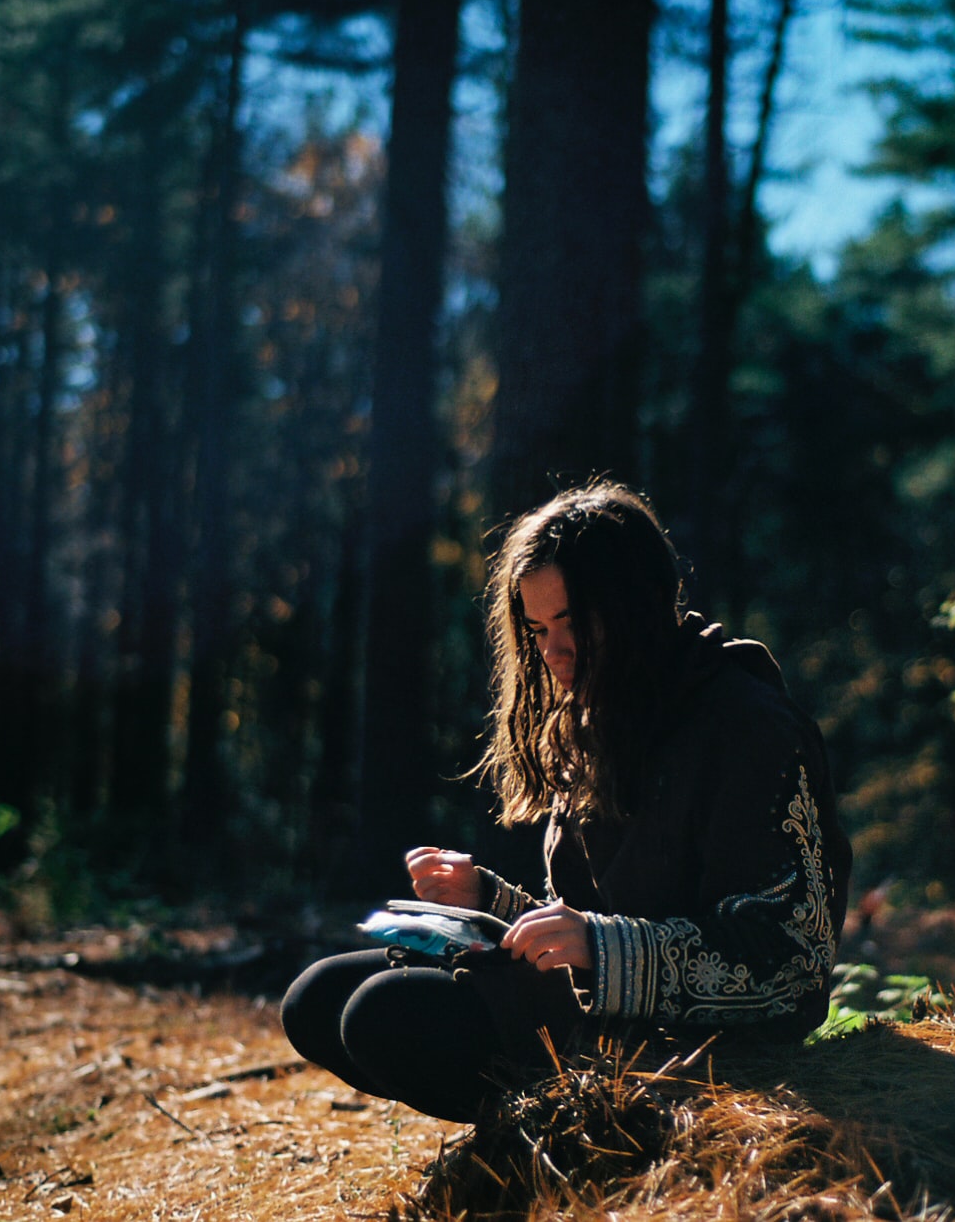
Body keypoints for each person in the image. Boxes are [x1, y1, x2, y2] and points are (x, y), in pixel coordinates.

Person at [281, 481, 852, 1123]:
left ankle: (574, 1144)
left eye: (574, 624)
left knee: (383, 1015)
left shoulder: (749, 728)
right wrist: (490, 902)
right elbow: (589, 925)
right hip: (599, 1023)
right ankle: (540, 1140)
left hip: (699, 1057)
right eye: (538, 629)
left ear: (638, 604)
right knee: (315, 998)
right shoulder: (599, 716)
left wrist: (603, 949)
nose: (553, 652)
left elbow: (791, 968)